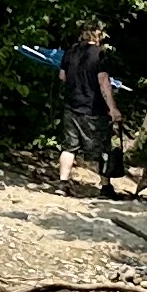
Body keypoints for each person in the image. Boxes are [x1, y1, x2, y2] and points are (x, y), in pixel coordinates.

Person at [56, 20, 124, 194]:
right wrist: (113, 108)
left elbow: (62, 76)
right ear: (99, 34)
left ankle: (62, 184)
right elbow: (104, 82)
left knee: (69, 147)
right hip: (93, 109)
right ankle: (105, 186)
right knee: (103, 148)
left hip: (71, 105)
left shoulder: (70, 52)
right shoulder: (100, 54)